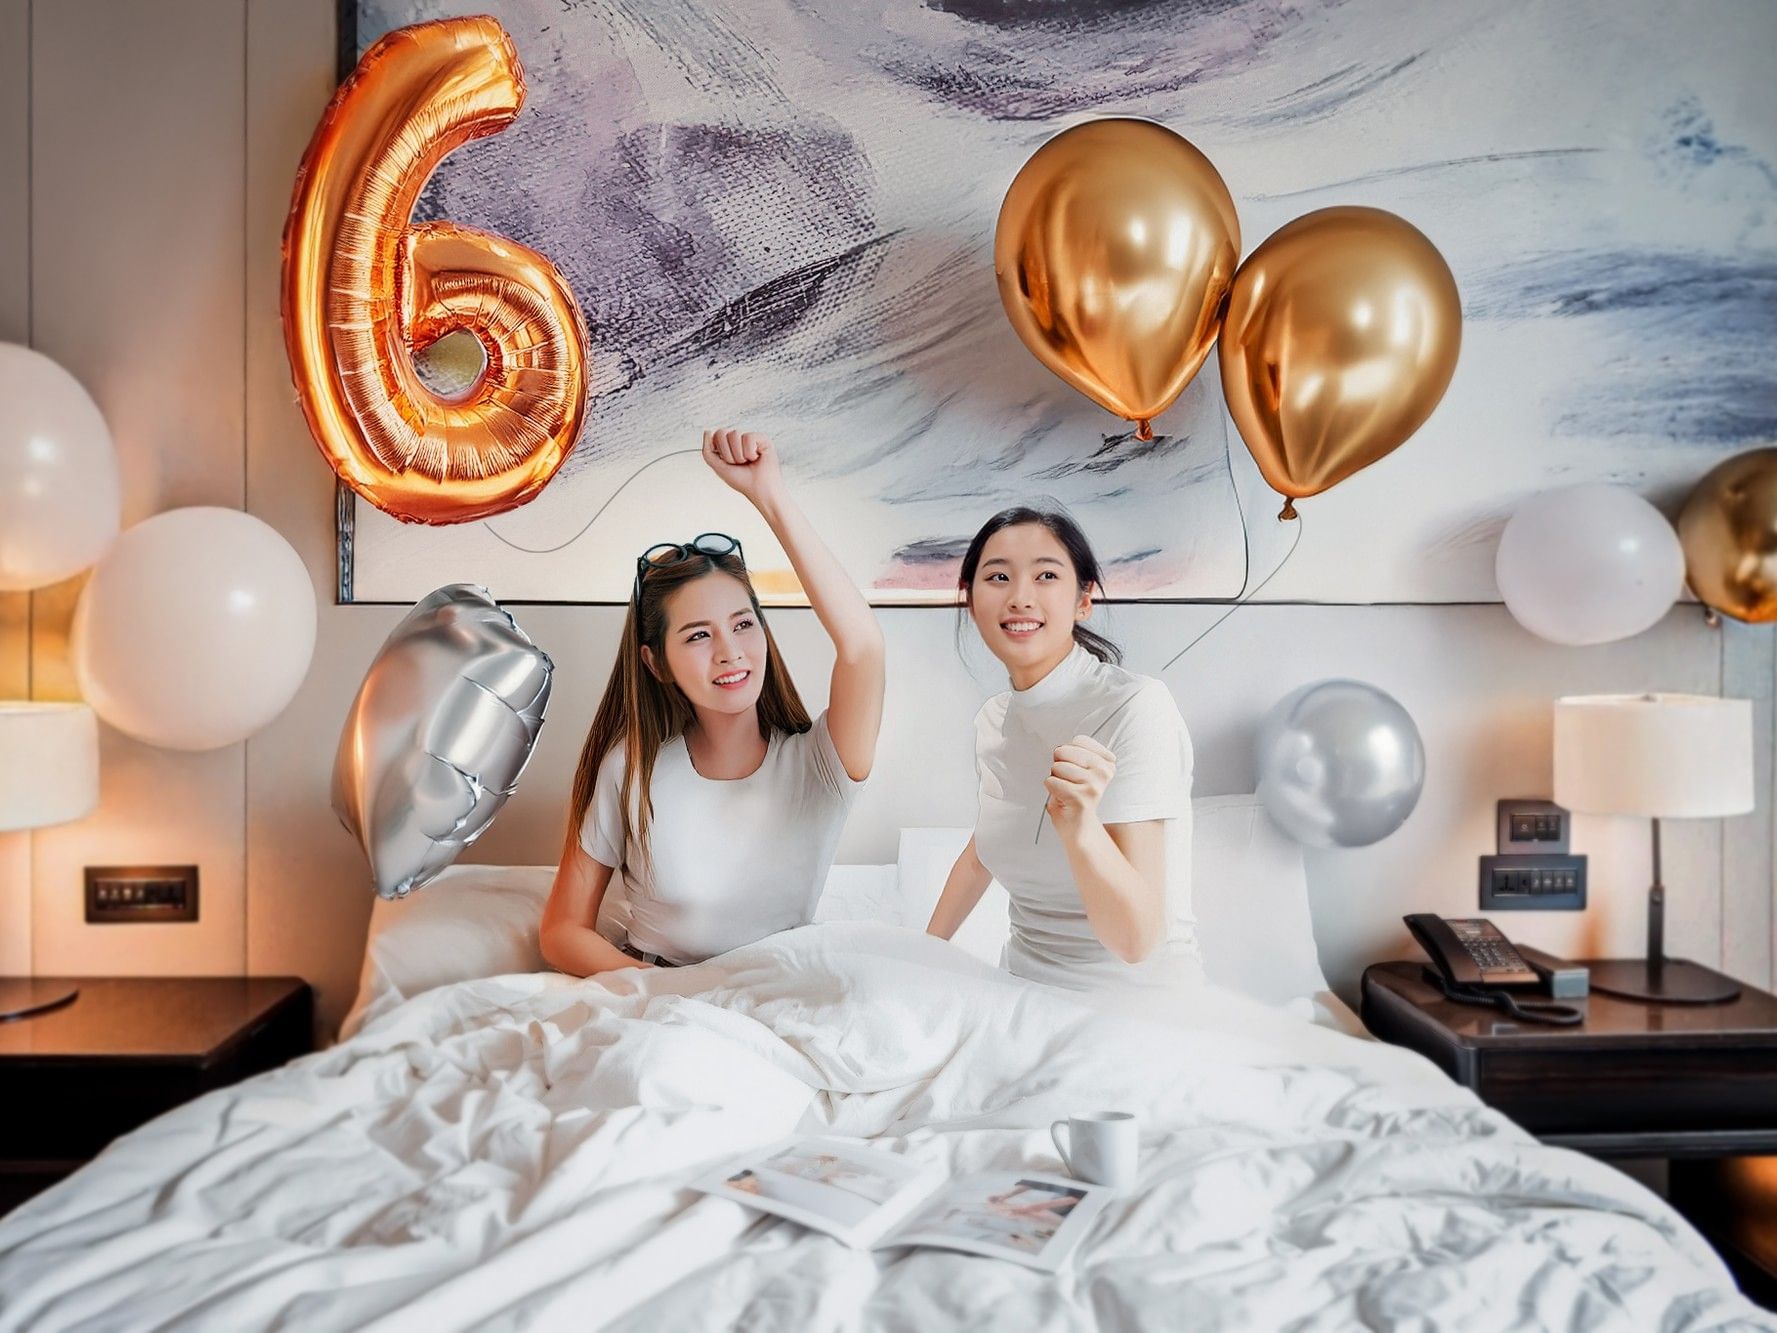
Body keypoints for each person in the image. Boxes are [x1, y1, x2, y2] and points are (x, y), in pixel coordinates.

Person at [540, 429, 885, 974]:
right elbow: (561, 931)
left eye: (744, 624)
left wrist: (769, 494)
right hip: (659, 1005)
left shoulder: (821, 765)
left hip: (778, 1001)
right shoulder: (631, 769)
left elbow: (863, 647)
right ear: (656, 663)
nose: (731, 652)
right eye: (699, 636)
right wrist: (673, 993)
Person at [925, 506, 1198, 991]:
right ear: (970, 600)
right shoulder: (993, 719)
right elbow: (983, 851)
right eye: (998, 577)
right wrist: (922, 954)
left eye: (1046, 575)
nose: (1020, 597)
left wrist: (1079, 825)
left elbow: (1137, 942)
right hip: (1022, 994)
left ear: (1083, 599)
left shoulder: (1137, 707)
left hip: (1133, 1006)